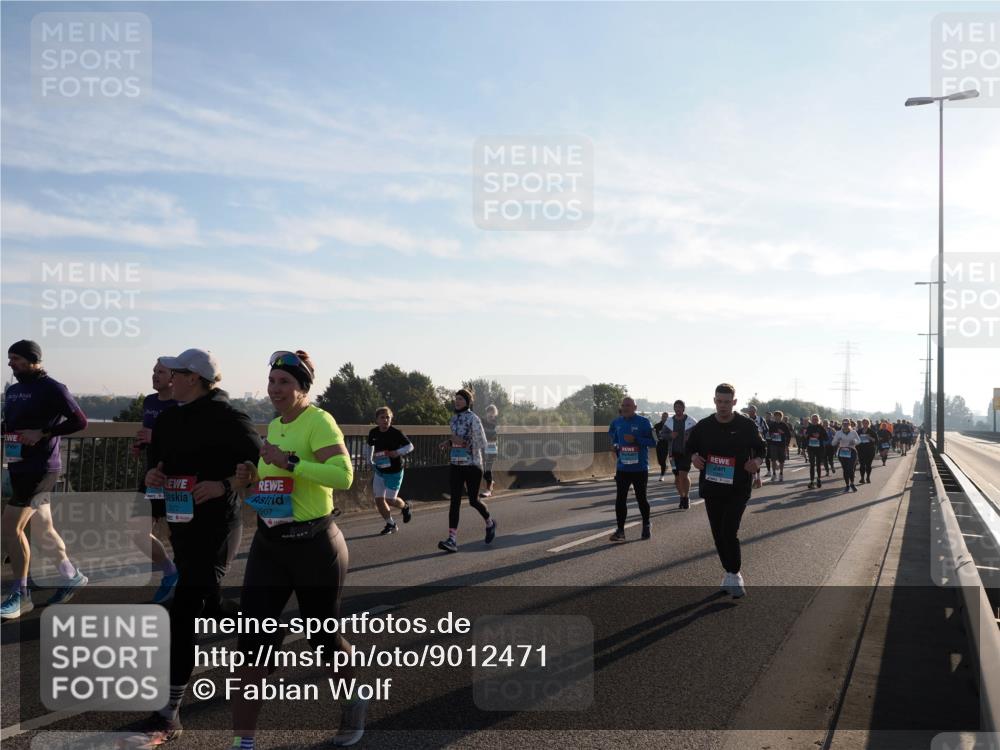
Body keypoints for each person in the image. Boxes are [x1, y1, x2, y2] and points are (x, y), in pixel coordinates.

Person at [124, 348, 262, 747]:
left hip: (218, 527)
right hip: (181, 525)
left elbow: (261, 467)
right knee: (207, 602)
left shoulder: (230, 418)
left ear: (194, 378)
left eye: (177, 372)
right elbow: (159, 468)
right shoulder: (168, 419)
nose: (168, 376)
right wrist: (151, 479)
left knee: (183, 609)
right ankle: (257, 626)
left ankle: (169, 712)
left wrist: (224, 484)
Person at [228, 350, 365, 749]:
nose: (275, 389)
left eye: (284, 382)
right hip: (270, 546)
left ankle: (353, 698)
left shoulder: (318, 422)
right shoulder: (274, 426)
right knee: (251, 646)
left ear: (303, 387)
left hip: (315, 546)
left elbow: (343, 475)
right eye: (272, 382)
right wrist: (249, 479)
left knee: (323, 639)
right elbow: (269, 486)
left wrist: (290, 462)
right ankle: (243, 743)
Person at [1, 340, 89, 620]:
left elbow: (79, 421)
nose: (10, 363)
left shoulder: (53, 388)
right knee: (42, 528)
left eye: (16, 358)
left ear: (33, 360)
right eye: (9, 358)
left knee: (10, 526)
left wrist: (43, 433)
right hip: (18, 464)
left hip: (42, 468)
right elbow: (10, 425)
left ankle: (21, 594)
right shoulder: (14, 391)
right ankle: (70, 574)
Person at [686, 384, 766, 599]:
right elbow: (689, 447)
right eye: (719, 401)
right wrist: (694, 457)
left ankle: (735, 573)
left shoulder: (746, 425)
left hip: (738, 487)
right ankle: (729, 573)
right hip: (712, 487)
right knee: (718, 534)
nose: (723, 406)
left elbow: (761, 448)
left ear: (734, 402)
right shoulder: (703, 426)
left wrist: (756, 461)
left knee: (729, 531)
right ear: (714, 401)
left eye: (727, 402)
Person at [128, 358, 179, 604]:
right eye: (153, 371)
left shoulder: (181, 404)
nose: (155, 375)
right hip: (151, 477)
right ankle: (171, 572)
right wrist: (139, 444)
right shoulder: (149, 401)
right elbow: (146, 431)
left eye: (161, 372)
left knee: (177, 534)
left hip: (176, 478)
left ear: (174, 377)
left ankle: (188, 582)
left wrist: (155, 436)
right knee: (137, 531)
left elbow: (188, 440)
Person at [437, 389, 495, 553]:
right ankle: (452, 539)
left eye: (461, 399)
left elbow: (482, 442)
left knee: (473, 501)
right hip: (456, 463)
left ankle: (490, 522)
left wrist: (462, 442)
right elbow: (456, 438)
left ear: (468, 402)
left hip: (472, 465)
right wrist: (448, 443)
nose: (457, 401)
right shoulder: (454, 418)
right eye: (456, 399)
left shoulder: (473, 418)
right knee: (454, 501)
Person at [608, 397, 656, 541]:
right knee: (620, 500)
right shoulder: (616, 422)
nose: (625, 408)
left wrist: (636, 440)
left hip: (640, 468)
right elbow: (614, 438)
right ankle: (620, 530)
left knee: (641, 498)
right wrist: (615, 445)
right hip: (622, 468)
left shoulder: (644, 422)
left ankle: (646, 524)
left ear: (635, 407)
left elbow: (654, 442)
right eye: (623, 405)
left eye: (628, 405)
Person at [367, 406, 413, 535]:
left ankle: (405, 506)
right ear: (377, 420)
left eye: (388, 417)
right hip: (380, 470)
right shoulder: (373, 432)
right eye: (382, 417)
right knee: (379, 499)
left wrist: (397, 452)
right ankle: (390, 524)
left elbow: (410, 446)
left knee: (390, 500)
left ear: (391, 419)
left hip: (394, 471)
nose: (385, 420)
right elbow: (370, 445)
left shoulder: (396, 433)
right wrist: (369, 460)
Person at [663, 400, 697, 509]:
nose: (677, 409)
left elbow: (698, 436)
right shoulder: (669, 422)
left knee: (683, 475)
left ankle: (686, 497)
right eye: (675, 407)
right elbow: (662, 434)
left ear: (683, 408)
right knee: (677, 478)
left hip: (686, 453)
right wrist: (670, 436)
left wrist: (690, 439)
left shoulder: (691, 421)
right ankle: (681, 497)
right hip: (673, 454)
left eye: (679, 407)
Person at [830, 420, 861, 492]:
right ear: (842, 424)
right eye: (844, 424)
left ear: (849, 424)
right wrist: (837, 440)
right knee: (845, 469)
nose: (845, 425)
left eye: (847, 424)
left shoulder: (853, 432)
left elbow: (859, 441)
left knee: (850, 468)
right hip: (842, 452)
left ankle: (852, 484)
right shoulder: (838, 433)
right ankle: (847, 485)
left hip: (852, 451)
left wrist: (855, 442)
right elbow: (833, 443)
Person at [765, 410, 793, 482]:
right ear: (774, 417)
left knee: (781, 461)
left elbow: (789, 435)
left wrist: (786, 443)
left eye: (778, 416)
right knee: (773, 460)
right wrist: (771, 436)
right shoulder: (772, 425)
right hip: (773, 444)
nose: (777, 417)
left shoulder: (784, 425)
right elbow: (769, 434)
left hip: (781, 445)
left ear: (781, 417)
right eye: (776, 416)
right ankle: (774, 474)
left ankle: (781, 474)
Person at [745, 405, 768, 488]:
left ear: (755, 411)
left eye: (752, 410)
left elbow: (766, 429)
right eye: (749, 410)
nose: (751, 412)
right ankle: (755, 479)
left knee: (756, 459)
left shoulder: (760, 419)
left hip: (758, 442)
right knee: (750, 459)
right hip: (749, 442)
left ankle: (758, 479)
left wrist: (761, 436)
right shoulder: (746, 419)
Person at [803, 414, 827, 489]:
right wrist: (803, 448)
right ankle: (812, 481)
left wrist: (819, 436)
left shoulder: (821, 427)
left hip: (819, 449)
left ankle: (819, 479)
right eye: (813, 419)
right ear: (811, 420)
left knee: (818, 465)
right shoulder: (809, 427)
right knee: (812, 465)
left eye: (816, 419)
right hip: (811, 449)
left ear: (818, 420)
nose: (815, 420)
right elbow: (805, 437)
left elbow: (826, 438)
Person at [481, 404, 499, 497]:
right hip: (483, 446)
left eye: (492, 413)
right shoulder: (482, 421)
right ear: (486, 412)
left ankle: (488, 489)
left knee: (488, 467)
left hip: (491, 446)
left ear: (495, 414)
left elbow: (493, 432)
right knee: (482, 467)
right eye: (489, 412)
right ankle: (490, 482)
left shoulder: (496, 422)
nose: (491, 415)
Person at [856, 418, 879, 484]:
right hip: (861, 450)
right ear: (862, 423)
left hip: (870, 450)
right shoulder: (859, 431)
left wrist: (870, 438)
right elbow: (855, 439)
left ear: (869, 424)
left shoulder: (872, 431)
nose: (865, 424)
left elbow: (876, 441)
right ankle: (862, 478)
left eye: (866, 423)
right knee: (862, 465)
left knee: (868, 465)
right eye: (864, 423)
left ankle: (868, 477)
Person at [653, 411, 671, 482]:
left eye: (666, 417)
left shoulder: (670, 426)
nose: (665, 418)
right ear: (661, 417)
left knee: (663, 460)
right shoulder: (657, 425)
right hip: (659, 445)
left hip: (666, 445)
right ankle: (665, 467)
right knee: (660, 461)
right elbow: (653, 434)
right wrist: (655, 438)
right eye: (663, 416)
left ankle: (662, 475)